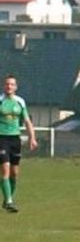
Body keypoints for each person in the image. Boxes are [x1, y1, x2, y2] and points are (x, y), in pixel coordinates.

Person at [0, 74, 38, 212]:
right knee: (5, 169)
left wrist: (32, 138)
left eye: (11, 84)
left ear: (15, 87)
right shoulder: (0, 101)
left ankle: (8, 198)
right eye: (7, 84)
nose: (9, 86)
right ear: (4, 86)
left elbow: (27, 121)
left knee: (14, 173)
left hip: (15, 139)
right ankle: (9, 201)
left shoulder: (20, 102)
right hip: (2, 138)